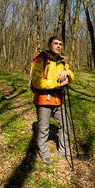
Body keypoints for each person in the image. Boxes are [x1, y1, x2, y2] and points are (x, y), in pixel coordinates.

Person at [30, 36, 76, 166]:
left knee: (67, 123)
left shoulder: (62, 62)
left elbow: (71, 75)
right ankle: (44, 154)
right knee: (44, 128)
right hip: (43, 99)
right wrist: (57, 83)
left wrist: (66, 74)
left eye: (60, 44)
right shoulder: (40, 60)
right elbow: (37, 82)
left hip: (58, 100)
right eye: (55, 43)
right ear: (49, 45)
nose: (58, 46)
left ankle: (63, 150)